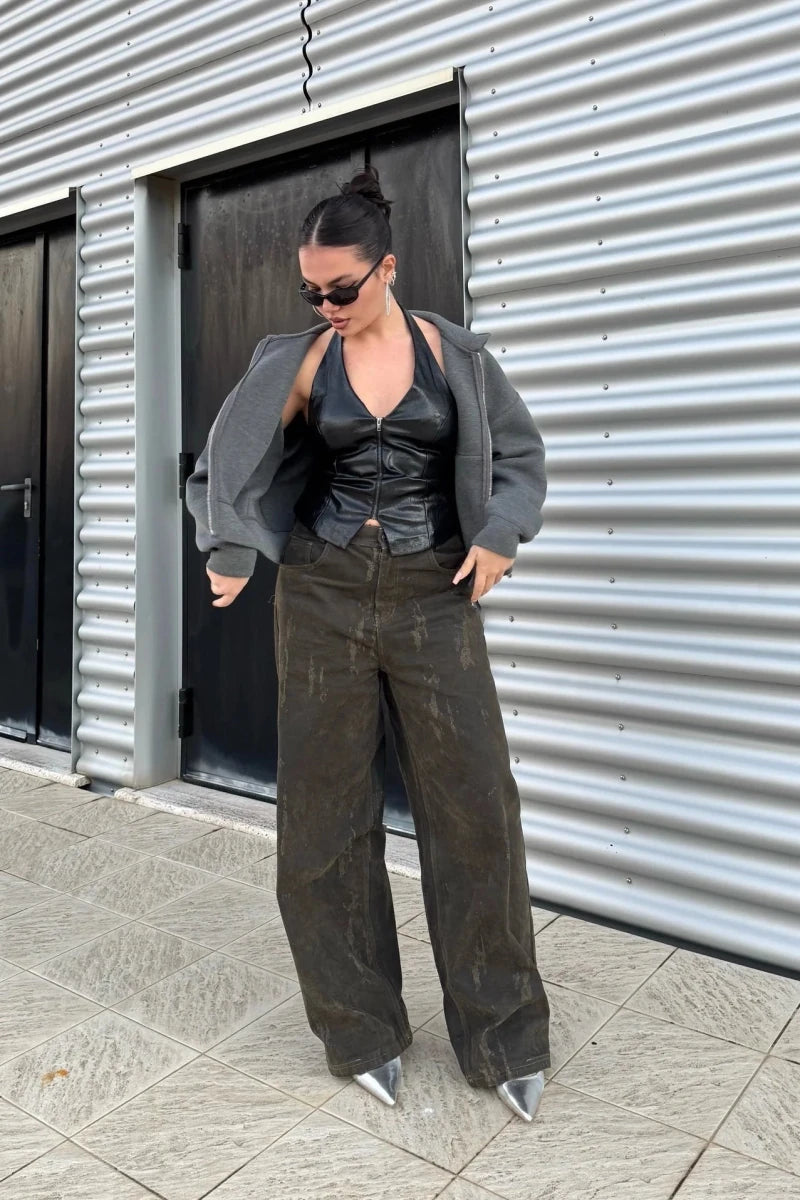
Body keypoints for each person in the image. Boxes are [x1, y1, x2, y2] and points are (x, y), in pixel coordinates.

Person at [185, 164, 551, 1123]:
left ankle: (504, 1037)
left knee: (476, 808)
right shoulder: (300, 360)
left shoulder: (456, 356)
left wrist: (500, 533)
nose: (326, 306)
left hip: (437, 591)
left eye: (341, 289)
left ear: (387, 268)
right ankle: (361, 1031)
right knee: (323, 816)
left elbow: (519, 458)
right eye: (312, 291)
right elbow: (226, 458)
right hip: (325, 591)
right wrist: (229, 547)